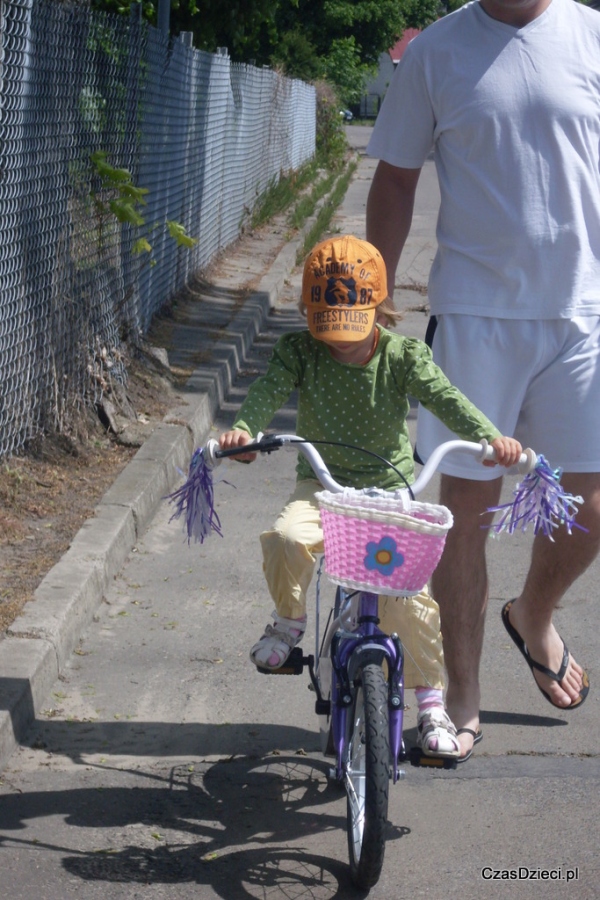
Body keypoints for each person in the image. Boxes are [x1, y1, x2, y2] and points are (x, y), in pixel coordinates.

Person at [365, 0, 599, 761]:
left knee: (591, 501)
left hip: (582, 315)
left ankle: (533, 613)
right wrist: (375, 295)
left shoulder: (591, 34)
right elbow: (396, 179)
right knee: (464, 510)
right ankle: (460, 694)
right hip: (473, 318)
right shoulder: (438, 50)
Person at [219, 234, 522, 759]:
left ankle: (431, 705)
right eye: (328, 327)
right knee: (288, 536)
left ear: (379, 308)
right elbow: (268, 389)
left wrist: (490, 436)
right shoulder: (301, 352)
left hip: (389, 490)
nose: (340, 342)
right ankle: (289, 620)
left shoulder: (402, 356)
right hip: (324, 486)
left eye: (352, 329)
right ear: (310, 312)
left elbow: (445, 397)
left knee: (411, 599)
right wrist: (245, 430)